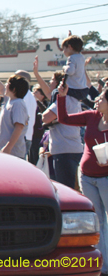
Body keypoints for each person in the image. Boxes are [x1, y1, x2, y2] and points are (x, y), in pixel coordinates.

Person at [54, 83, 108, 275]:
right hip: (87, 176)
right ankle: (104, 264)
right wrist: (61, 97)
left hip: (106, 177)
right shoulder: (92, 117)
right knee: (98, 220)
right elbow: (64, 118)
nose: (97, 100)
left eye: (101, 98)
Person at [41, 63, 84, 190]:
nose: (50, 82)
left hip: (65, 150)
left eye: (53, 80)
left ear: (61, 83)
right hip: (71, 148)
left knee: (66, 190)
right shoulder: (73, 99)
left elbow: (46, 117)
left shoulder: (66, 99)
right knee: (71, 188)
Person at [0, 75, 29, 158]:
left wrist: (8, 147)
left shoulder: (18, 104)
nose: (5, 85)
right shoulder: (10, 102)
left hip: (13, 153)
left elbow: (19, 127)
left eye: (7, 83)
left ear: (14, 89)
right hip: (5, 152)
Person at [62, 35, 89, 101]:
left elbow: (70, 71)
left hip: (73, 89)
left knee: (55, 92)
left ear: (70, 47)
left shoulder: (71, 58)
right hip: (83, 89)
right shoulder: (81, 57)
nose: (63, 51)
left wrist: (64, 68)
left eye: (64, 49)